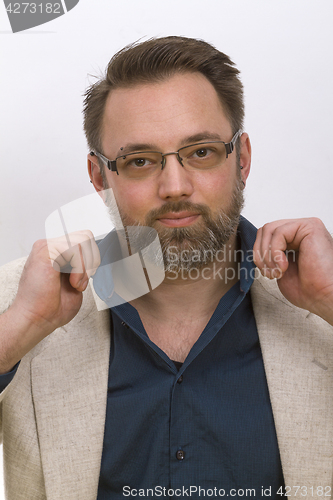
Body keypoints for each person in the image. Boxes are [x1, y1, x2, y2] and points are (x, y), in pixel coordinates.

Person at [1, 36, 333, 500]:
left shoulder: (323, 296)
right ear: (99, 177)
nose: (175, 186)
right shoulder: (22, 301)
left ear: (243, 160)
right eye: (140, 161)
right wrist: (20, 327)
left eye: (201, 151)